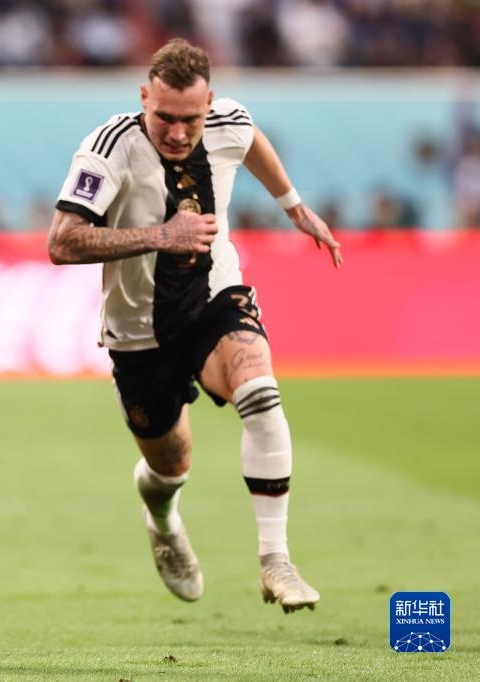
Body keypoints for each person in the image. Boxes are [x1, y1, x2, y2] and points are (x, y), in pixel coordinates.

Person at [47, 38, 341, 613]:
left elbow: (250, 139)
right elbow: (61, 241)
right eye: (165, 118)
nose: (179, 134)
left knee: (260, 390)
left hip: (214, 296)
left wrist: (293, 205)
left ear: (209, 104)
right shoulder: (108, 148)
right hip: (139, 329)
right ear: (143, 98)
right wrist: (163, 235)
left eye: (191, 119)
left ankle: (276, 560)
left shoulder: (229, 122)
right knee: (170, 465)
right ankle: (162, 520)